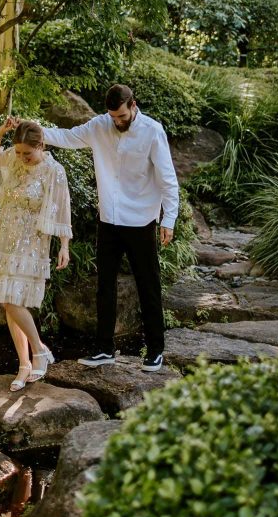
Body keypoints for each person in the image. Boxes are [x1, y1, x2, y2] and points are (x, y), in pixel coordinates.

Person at [37, 84, 179, 372]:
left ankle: (155, 350)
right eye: (113, 116)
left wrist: (169, 219)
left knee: (148, 286)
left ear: (133, 105)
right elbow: (67, 136)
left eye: (122, 116)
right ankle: (104, 348)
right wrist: (34, 130)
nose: (117, 121)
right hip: (109, 221)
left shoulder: (152, 131)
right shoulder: (100, 126)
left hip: (141, 222)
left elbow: (168, 178)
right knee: (105, 287)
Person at [0, 117, 73, 391]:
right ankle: (25, 363)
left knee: (12, 298)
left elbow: (63, 208)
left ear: (40, 145)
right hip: (5, 234)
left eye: (27, 153)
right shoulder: (14, 159)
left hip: (31, 239)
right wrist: (1, 132)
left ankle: (39, 351)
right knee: (7, 301)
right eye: (18, 152)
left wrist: (64, 245)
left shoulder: (54, 171)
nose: (21, 158)